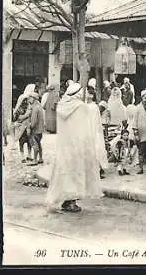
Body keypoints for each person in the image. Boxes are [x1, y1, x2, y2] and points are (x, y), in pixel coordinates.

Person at [45, 82, 103, 213]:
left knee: (65, 173)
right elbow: (87, 126)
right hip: (78, 146)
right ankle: (71, 202)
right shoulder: (81, 107)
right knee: (76, 173)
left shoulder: (62, 105)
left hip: (64, 147)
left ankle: (66, 200)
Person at [87, 86, 109, 179]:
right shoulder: (85, 106)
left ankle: (97, 170)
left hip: (93, 131)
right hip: (87, 130)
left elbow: (96, 121)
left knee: (96, 150)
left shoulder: (94, 107)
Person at [12, 85, 34, 163]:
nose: (25, 102)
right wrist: (21, 117)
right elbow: (15, 118)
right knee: (21, 142)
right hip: (21, 128)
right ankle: (22, 156)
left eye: (26, 101)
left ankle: (29, 155)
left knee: (29, 142)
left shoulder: (30, 106)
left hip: (28, 127)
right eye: (24, 101)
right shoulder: (19, 109)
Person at [27, 92, 45, 166]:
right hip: (40, 129)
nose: (28, 99)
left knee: (35, 144)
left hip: (35, 129)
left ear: (33, 99)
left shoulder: (35, 108)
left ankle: (35, 160)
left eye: (30, 97)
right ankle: (40, 158)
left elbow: (33, 122)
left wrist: (29, 126)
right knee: (39, 144)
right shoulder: (39, 106)